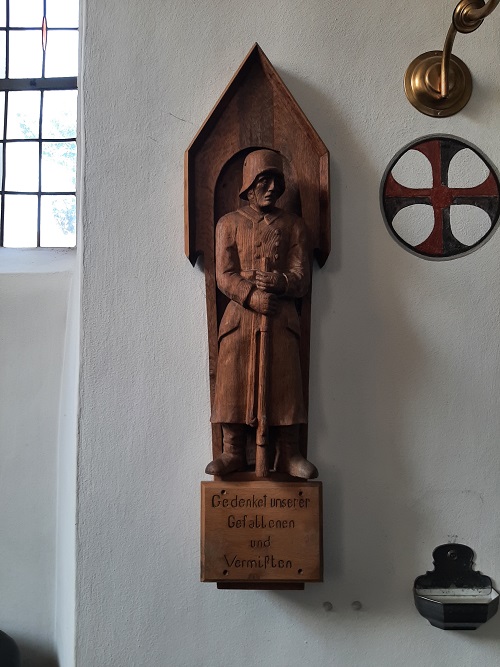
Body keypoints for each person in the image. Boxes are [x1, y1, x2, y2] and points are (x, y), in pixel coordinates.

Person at [206, 149, 318, 479]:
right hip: (240, 319)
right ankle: (233, 451)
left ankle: (288, 452)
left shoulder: (294, 226)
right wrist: (252, 295)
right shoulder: (228, 224)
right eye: (263, 180)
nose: (271, 188)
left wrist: (280, 282)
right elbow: (224, 274)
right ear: (249, 185)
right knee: (233, 380)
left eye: (276, 181)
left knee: (285, 382)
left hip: (281, 320)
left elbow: (302, 276)